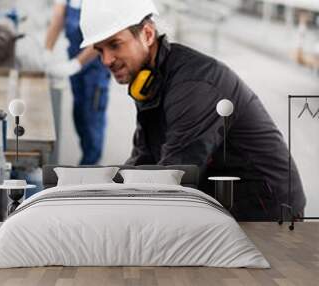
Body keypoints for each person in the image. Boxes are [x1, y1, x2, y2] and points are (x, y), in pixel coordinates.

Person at [78, 0, 306, 221]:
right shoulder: (150, 79)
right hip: (222, 200)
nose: (106, 60)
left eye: (115, 45)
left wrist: (107, 212)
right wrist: (99, 191)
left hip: (266, 211)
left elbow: (173, 178)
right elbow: (143, 159)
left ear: (147, 35)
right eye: (99, 50)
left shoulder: (195, 86)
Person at [44, 0, 111, 165]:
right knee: (79, 114)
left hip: (95, 64)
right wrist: (47, 50)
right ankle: (86, 161)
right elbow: (59, 16)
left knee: (92, 117)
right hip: (75, 57)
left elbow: (104, 35)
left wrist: (77, 64)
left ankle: (90, 168)